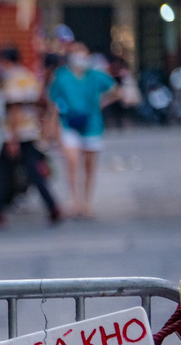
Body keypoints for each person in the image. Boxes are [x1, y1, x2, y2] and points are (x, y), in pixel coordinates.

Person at [0, 47, 61, 227]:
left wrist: (13, 138)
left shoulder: (12, 80)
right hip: (30, 131)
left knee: (1, 174)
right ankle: (52, 207)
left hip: (16, 134)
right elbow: (41, 104)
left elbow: (15, 110)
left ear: (6, 61)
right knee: (33, 173)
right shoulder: (28, 77)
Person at [48, 41, 118, 219]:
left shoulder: (95, 75)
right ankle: (74, 200)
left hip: (92, 124)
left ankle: (86, 202)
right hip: (69, 123)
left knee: (89, 165)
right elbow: (53, 102)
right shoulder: (62, 76)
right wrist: (51, 126)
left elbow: (116, 91)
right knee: (72, 161)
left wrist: (100, 102)